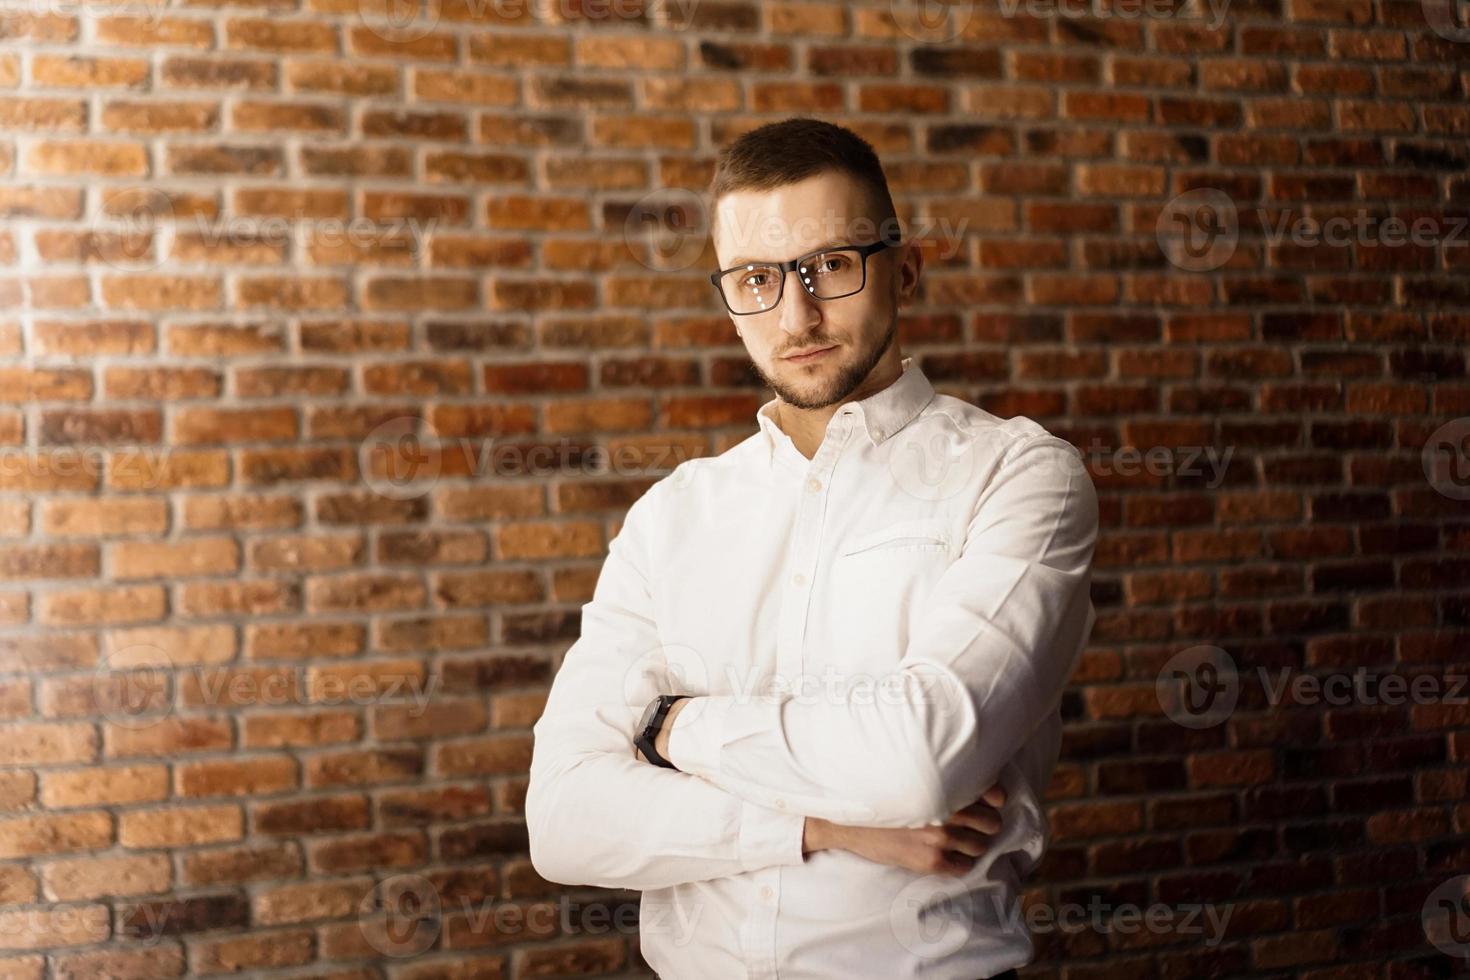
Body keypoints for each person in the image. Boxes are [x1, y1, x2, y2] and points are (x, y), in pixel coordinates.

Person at [527, 116, 1098, 980]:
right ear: (728, 302)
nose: (795, 313)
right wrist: (821, 827)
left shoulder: (1018, 476)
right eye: (756, 278)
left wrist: (674, 727)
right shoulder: (672, 515)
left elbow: (919, 757)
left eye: (830, 265)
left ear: (903, 272)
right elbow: (564, 820)